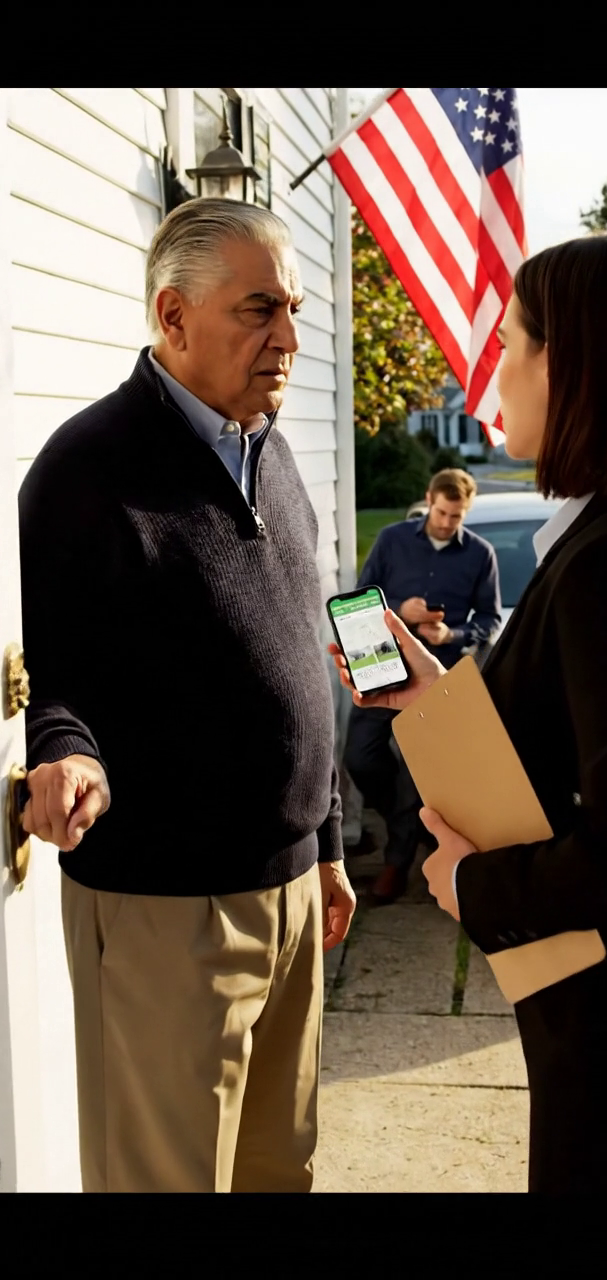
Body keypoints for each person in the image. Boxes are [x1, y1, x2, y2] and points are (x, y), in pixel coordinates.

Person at [331, 230, 607, 1194]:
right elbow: (575, 741)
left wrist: (475, 888)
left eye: (510, 342)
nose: (493, 369)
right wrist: (428, 692)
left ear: (572, 362)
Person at [18, 198, 356, 1194]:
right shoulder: (83, 472)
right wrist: (69, 756)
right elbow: (60, 681)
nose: (289, 337)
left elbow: (305, 644)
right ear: (172, 314)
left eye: (291, 308)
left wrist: (330, 844)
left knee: (277, 1176)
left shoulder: (277, 452)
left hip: (294, 895)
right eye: (259, 309)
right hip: (169, 913)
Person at [345, 469, 502, 903]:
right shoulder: (392, 540)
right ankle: (408, 827)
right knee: (360, 758)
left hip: (439, 677)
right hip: (382, 669)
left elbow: (489, 619)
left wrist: (450, 635)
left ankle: (396, 864)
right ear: (429, 499)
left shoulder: (481, 554)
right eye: (443, 512)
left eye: (457, 516)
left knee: (418, 776)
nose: (449, 522)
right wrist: (400, 610)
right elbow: (361, 596)